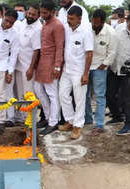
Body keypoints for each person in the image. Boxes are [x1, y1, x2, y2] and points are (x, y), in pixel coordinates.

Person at [106, 13, 130, 135]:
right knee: (109, 94)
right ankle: (118, 116)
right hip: (114, 67)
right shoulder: (118, 28)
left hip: (129, 70)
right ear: (126, 21)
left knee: (128, 97)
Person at [57, 6, 93, 140]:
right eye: (68, 18)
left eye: (72, 19)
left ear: (80, 18)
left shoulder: (86, 32)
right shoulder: (66, 29)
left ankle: (78, 126)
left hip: (79, 71)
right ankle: (70, 121)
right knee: (62, 95)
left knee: (79, 99)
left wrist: (86, 74)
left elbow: (89, 53)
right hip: (66, 70)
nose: (69, 21)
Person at [5, 3, 42, 127]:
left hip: (27, 66)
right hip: (16, 64)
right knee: (17, 92)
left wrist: (31, 68)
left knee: (28, 93)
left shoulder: (38, 28)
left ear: (38, 15)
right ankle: (18, 117)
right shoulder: (21, 24)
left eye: (33, 14)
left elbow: (37, 50)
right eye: (29, 13)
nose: (30, 16)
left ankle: (29, 119)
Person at [33, 0, 65, 136]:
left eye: (45, 12)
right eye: (41, 12)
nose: (42, 14)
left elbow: (59, 47)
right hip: (42, 62)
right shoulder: (45, 23)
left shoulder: (58, 25)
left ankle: (53, 122)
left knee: (52, 94)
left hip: (52, 63)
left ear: (53, 12)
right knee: (38, 90)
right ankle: (47, 117)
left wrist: (57, 66)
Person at [86, 9, 118, 136]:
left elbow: (112, 52)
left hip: (100, 67)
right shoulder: (87, 28)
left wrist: (104, 64)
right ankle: (87, 119)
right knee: (85, 94)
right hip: (86, 66)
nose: (94, 25)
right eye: (93, 22)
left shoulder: (110, 32)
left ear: (103, 22)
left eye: (97, 23)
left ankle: (99, 124)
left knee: (99, 96)